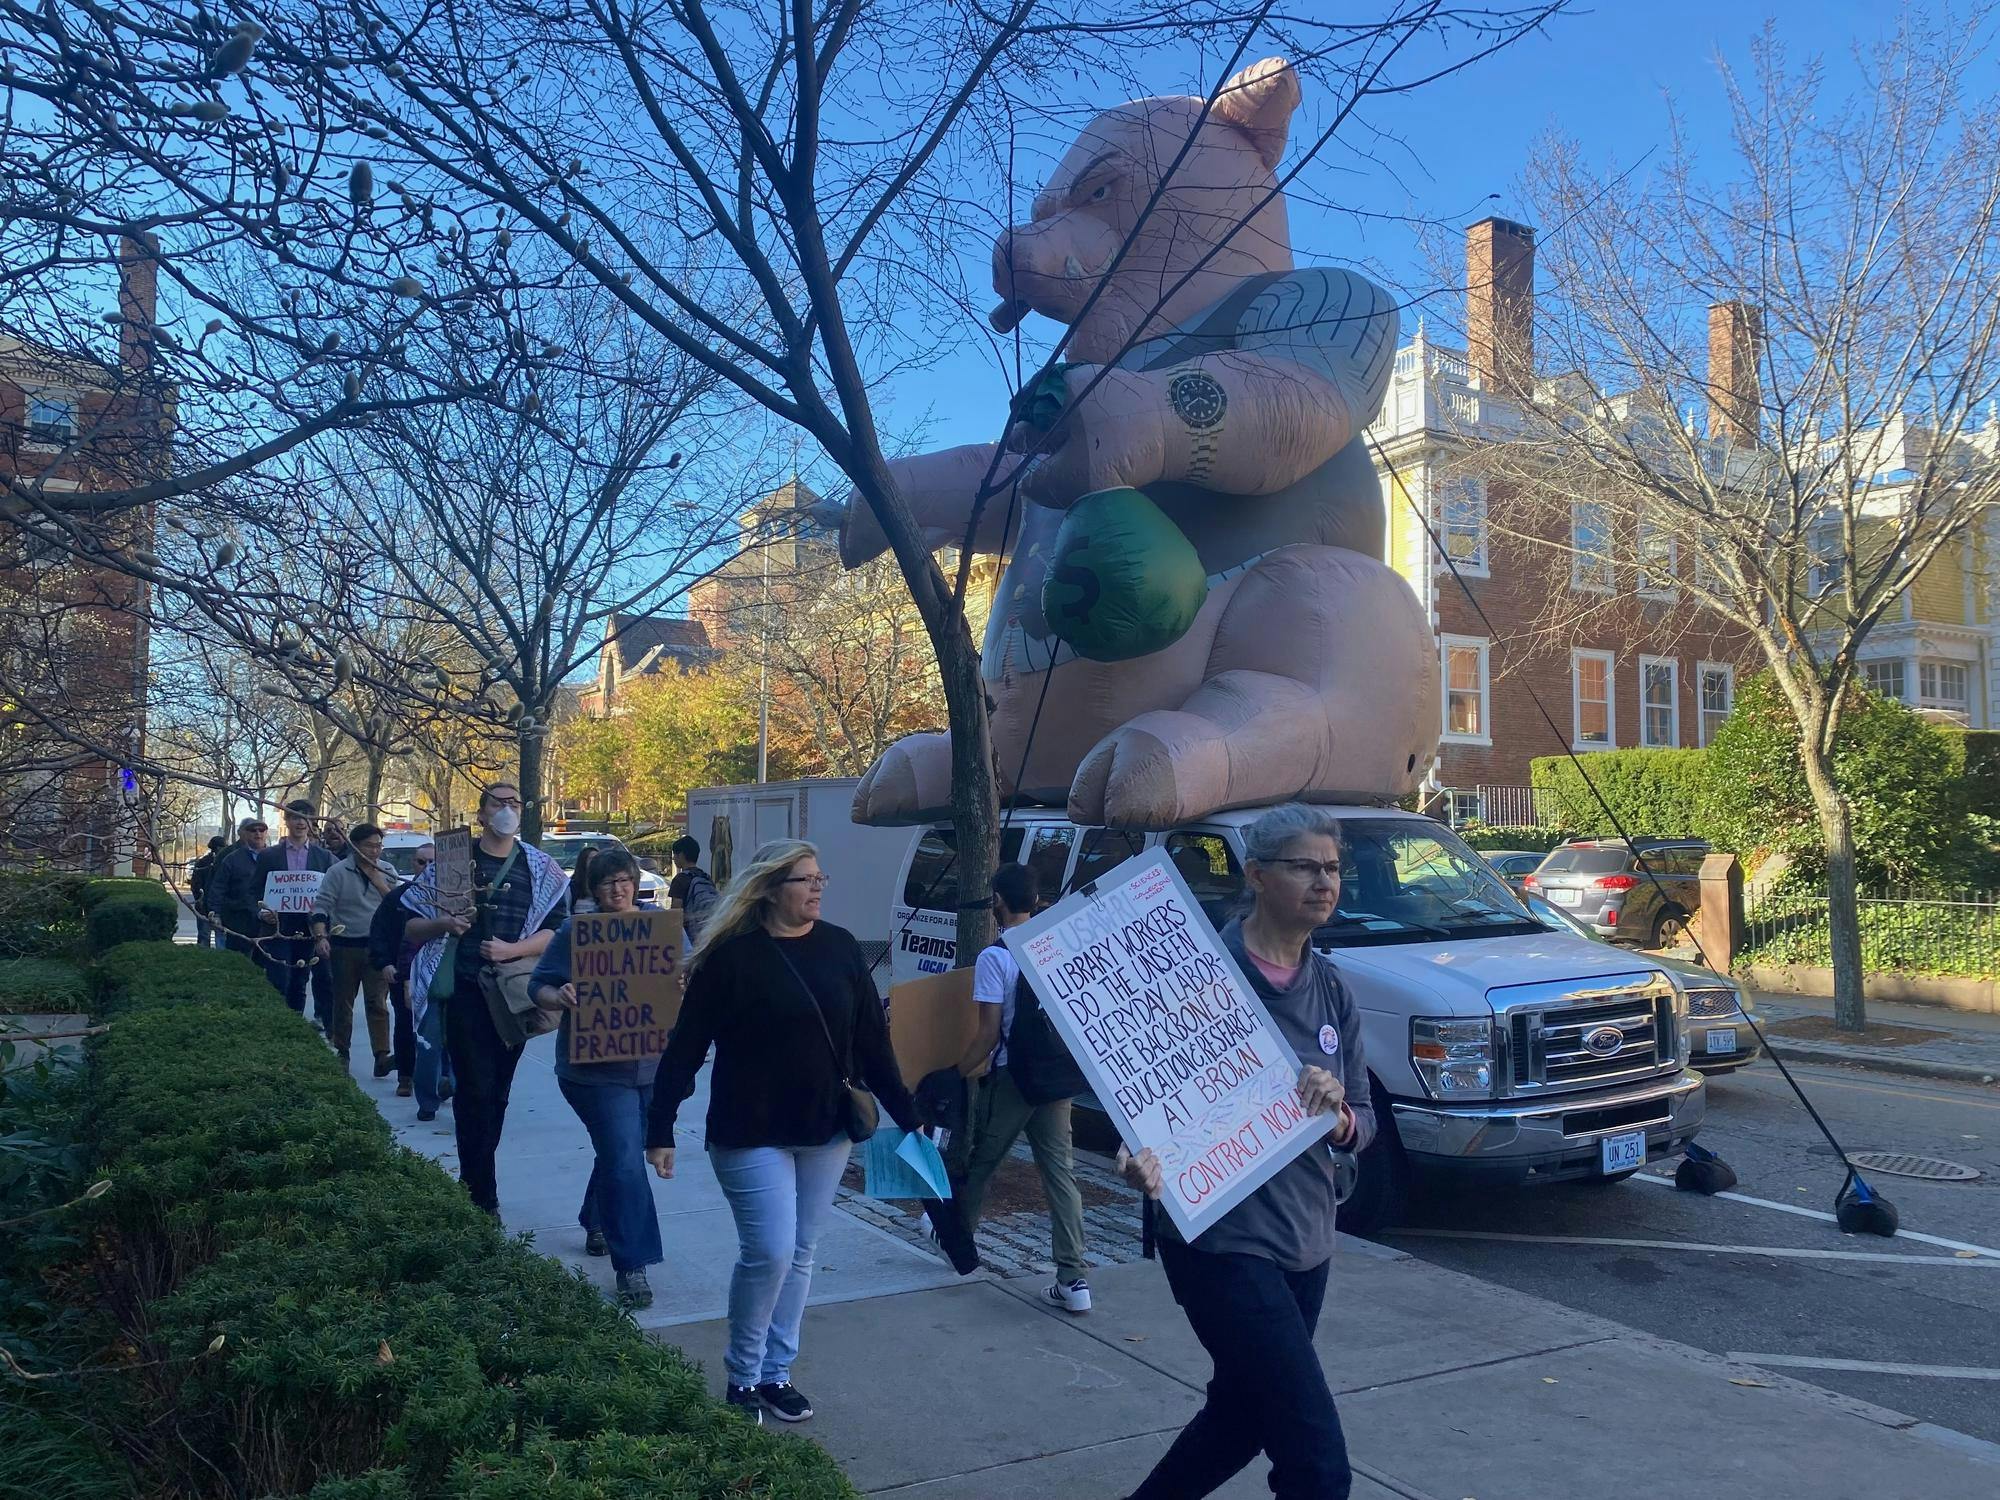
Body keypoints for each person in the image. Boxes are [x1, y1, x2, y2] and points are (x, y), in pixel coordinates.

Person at [1115, 804, 1373, 1500]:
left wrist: (1340, 1116)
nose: (1324, 882)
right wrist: (1138, 1157)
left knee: (1240, 1418)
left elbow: (1365, 1120)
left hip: (1307, 1237)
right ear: (1256, 874)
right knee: (1317, 1466)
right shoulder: (1198, 979)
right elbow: (1142, 1101)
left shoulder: (1334, 991)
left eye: (1332, 868)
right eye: (1305, 867)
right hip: (1220, 1240)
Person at [646, 840, 921, 1427]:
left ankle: (776, 1372)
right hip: (750, 1130)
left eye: (821, 877)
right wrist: (660, 1126)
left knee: (800, 1254)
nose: (818, 888)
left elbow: (872, 1043)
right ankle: (742, 1376)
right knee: (768, 1251)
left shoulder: (842, 947)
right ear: (771, 888)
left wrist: (910, 1114)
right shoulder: (731, 960)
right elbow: (686, 1048)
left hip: (825, 1128)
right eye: (805, 879)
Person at [403, 784, 567, 1213]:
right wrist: (444, 924)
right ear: (480, 815)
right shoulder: (451, 862)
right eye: (498, 802)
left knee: (497, 1092)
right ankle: (481, 1194)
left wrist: (513, 950)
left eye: (515, 801)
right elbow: (409, 926)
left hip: (513, 994)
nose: (508, 808)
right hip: (465, 991)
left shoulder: (541, 868)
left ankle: (476, 1173)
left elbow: (556, 930)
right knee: (475, 1090)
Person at [532, 849, 668, 1309]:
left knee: (620, 1152)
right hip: (593, 1072)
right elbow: (539, 986)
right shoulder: (576, 932)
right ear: (593, 889)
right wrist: (561, 993)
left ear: (635, 881)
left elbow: (688, 975)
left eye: (624, 880)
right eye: (607, 882)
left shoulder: (661, 929)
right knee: (627, 1159)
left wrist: (685, 982)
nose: (618, 889)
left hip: (653, 1067)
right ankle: (633, 1264)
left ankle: (596, 1217)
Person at [956, 862, 1092, 1314]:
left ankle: (958, 1240)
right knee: (1061, 1172)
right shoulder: (1056, 946)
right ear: (1036, 901)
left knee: (983, 1161)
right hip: (1056, 1078)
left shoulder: (996, 957)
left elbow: (988, 1033)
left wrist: (957, 1071)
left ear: (996, 900)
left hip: (1014, 1078)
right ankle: (1073, 1278)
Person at [313, 823, 398, 1073]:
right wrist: (321, 937)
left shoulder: (387, 870)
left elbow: (398, 906)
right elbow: (321, 906)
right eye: (369, 846)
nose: (374, 851)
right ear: (354, 846)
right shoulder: (337, 872)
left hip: (376, 947)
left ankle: (382, 1055)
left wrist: (378, 880)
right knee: (343, 1002)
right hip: (345, 945)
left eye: (378, 846)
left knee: (378, 1002)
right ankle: (342, 1051)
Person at [253, 800, 335, 1027]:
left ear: (312, 822)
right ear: (286, 821)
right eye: (295, 817)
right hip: (278, 926)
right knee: (278, 978)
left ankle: (294, 1026)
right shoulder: (269, 856)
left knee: (300, 978)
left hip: (309, 928)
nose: (301, 822)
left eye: (306, 818)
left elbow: (331, 894)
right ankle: (277, 1024)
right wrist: (262, 914)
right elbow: (254, 891)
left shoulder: (324, 857)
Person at [207, 816, 268, 959]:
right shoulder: (232, 859)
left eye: (262, 830)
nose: (258, 833)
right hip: (238, 921)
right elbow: (218, 887)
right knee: (238, 961)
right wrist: (215, 914)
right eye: (253, 830)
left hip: (267, 924)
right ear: (244, 834)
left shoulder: (276, 857)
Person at [667, 835, 720, 943]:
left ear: (681, 855)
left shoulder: (680, 879)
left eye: (675, 854)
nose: (673, 858)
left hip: (689, 937)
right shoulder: (705, 877)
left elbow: (676, 914)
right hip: (707, 933)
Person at [189, 834, 226, 948]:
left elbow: (194, 884)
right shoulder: (224, 862)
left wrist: (199, 899)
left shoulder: (202, 862)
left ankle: (205, 958)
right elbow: (195, 884)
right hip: (213, 906)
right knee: (218, 936)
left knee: (206, 936)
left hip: (207, 906)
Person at [568, 846, 599, 915]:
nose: (597, 862)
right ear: (583, 862)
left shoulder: (603, 883)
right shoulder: (571, 886)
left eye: (598, 858)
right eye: (592, 859)